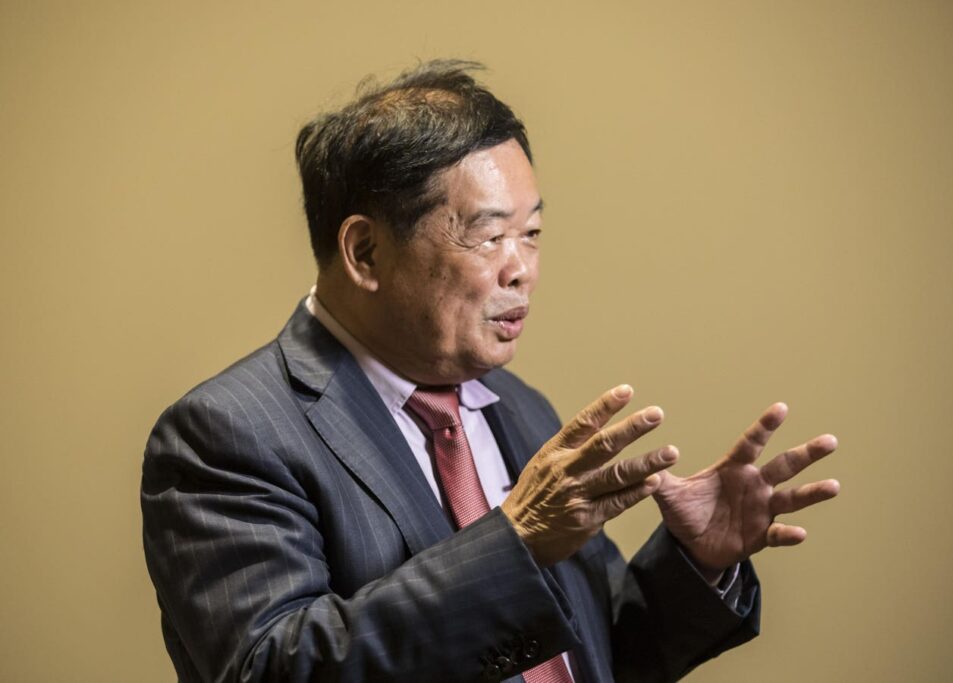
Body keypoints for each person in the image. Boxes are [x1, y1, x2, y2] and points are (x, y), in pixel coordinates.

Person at [141, 59, 840, 683]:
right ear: (365, 253)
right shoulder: (228, 433)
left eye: (531, 233)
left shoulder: (518, 406)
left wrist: (694, 561)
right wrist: (515, 542)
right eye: (490, 234)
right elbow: (273, 668)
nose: (522, 269)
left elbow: (592, 653)